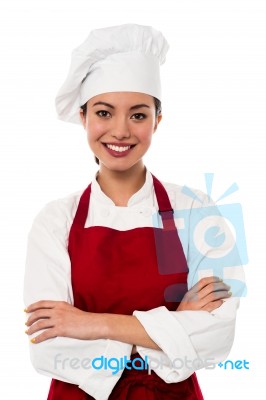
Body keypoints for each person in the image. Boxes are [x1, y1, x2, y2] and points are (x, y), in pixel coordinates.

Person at [24, 24, 241, 400]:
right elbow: (47, 347)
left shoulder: (198, 211)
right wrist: (173, 328)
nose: (120, 131)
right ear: (84, 117)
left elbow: (218, 334)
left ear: (158, 120)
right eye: (104, 112)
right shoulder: (53, 221)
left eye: (138, 115)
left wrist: (89, 325)